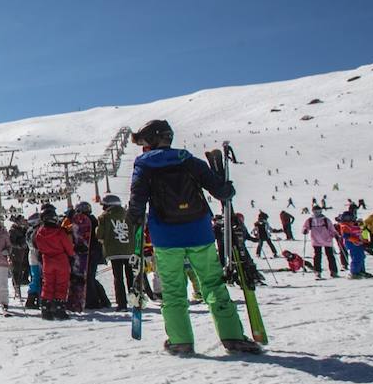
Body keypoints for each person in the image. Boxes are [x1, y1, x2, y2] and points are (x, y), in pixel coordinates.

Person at [125, 119, 262, 354]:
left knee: (173, 289)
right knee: (213, 284)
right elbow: (220, 190)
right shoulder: (186, 159)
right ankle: (232, 336)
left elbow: (137, 201)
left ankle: (180, 340)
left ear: (152, 142)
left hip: (165, 236)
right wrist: (226, 188)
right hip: (199, 231)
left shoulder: (144, 165)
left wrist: (134, 222)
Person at [32, 205, 73, 320]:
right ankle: (59, 308)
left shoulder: (39, 232)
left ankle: (45, 308)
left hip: (47, 260)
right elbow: (68, 247)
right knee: (61, 284)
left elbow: (37, 246)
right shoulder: (60, 232)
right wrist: (71, 254)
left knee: (48, 284)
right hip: (61, 260)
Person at [97, 194, 137, 310]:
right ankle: (134, 301)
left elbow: (99, 234)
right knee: (130, 276)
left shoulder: (104, 217)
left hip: (114, 252)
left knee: (118, 278)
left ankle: (122, 304)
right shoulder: (128, 215)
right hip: (129, 250)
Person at [302, 206, 339, 279]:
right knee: (317, 256)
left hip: (327, 239)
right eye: (315, 212)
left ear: (321, 211)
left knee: (330, 256)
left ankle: (333, 271)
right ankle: (317, 272)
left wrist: (335, 234)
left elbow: (332, 229)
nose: (317, 213)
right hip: (316, 240)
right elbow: (305, 227)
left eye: (318, 211)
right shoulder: (310, 220)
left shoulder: (326, 220)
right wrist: (305, 230)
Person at [336, 213, 372, 279]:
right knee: (356, 257)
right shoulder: (345, 226)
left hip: (358, 243)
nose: (349, 220)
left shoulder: (353, 226)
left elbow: (360, 233)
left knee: (361, 256)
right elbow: (346, 236)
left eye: (350, 218)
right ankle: (354, 272)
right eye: (347, 218)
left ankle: (361, 271)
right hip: (352, 244)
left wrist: (364, 241)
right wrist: (356, 240)